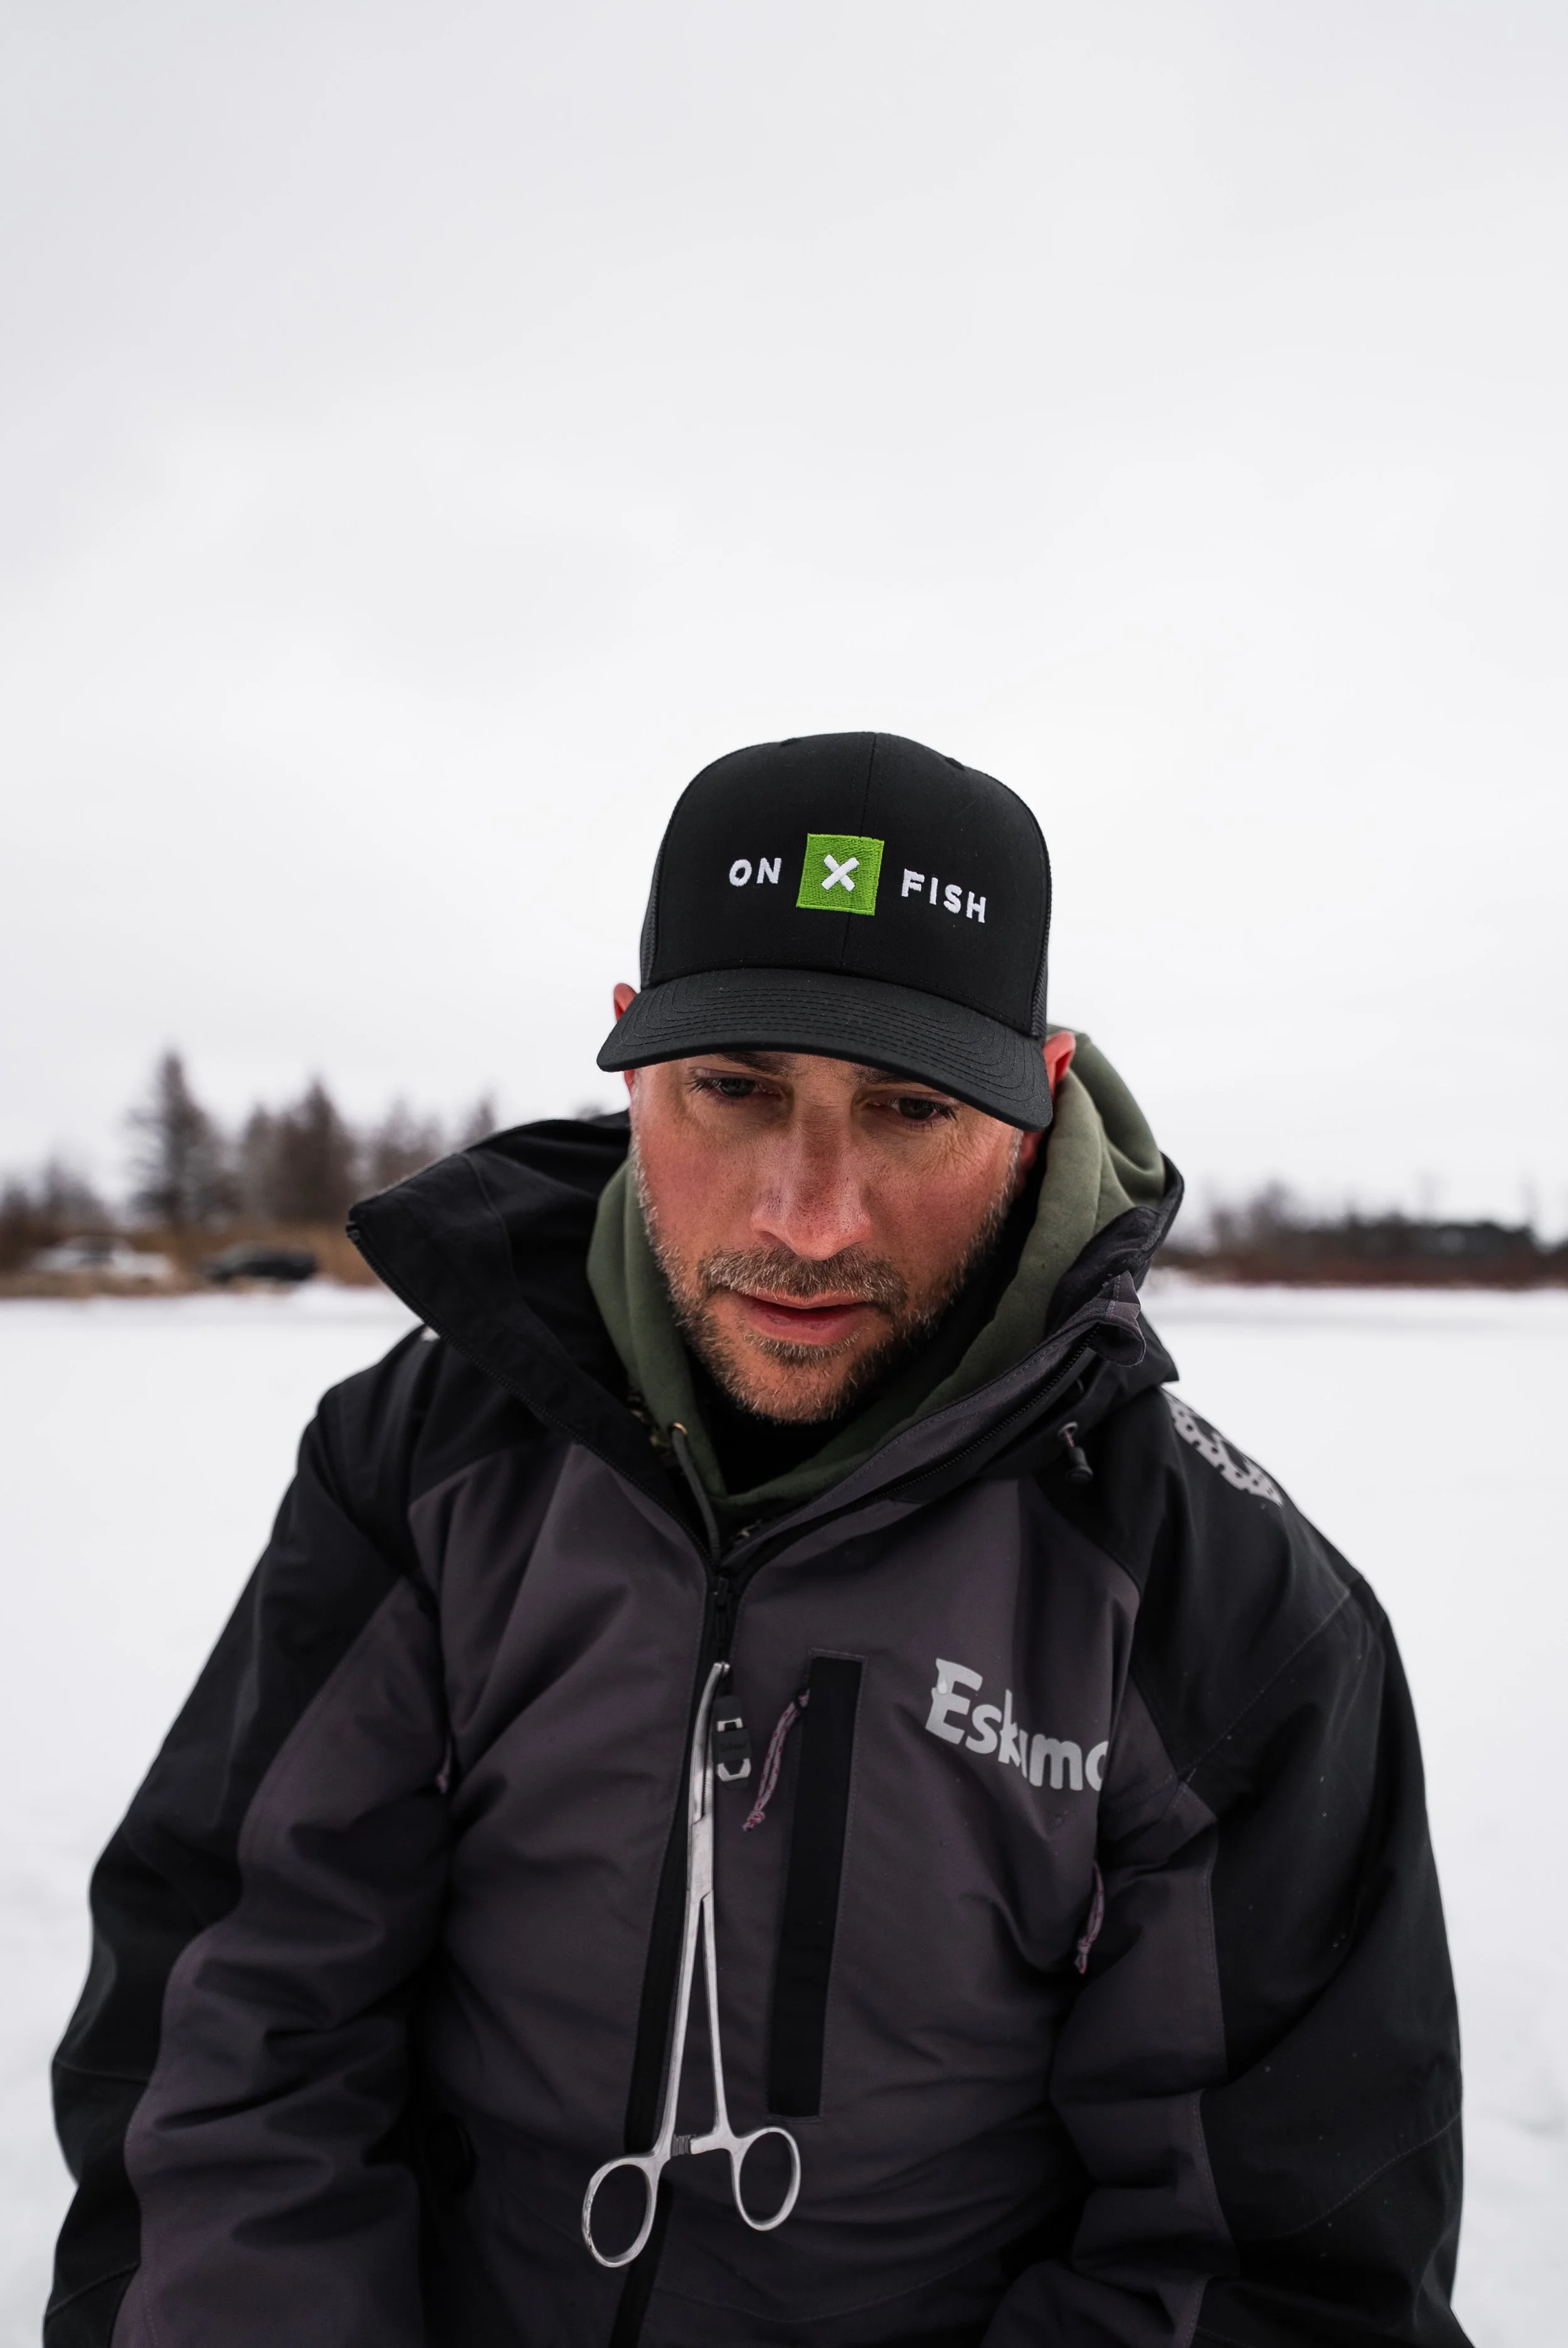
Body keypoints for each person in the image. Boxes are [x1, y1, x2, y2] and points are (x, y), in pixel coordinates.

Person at [49, 733, 1470, 2348]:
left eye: (907, 1107)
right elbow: (234, 2040)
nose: (808, 1216)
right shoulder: (428, 1463)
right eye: (734, 1089)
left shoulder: (1229, 1614)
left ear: (1040, 1097)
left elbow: (1269, 2272)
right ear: (629, 1061)